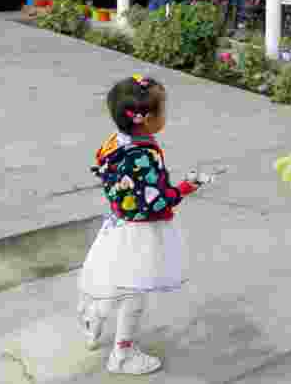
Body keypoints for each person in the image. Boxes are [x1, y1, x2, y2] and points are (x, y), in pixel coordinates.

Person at [77, 75, 213, 375]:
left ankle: (93, 321)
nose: (166, 116)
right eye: (164, 110)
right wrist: (189, 186)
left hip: (117, 227)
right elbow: (156, 202)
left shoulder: (116, 140)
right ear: (147, 119)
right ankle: (122, 354)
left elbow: (107, 173)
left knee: (113, 282)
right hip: (141, 233)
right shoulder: (144, 154)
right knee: (134, 295)